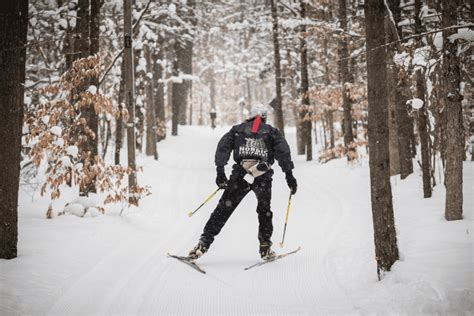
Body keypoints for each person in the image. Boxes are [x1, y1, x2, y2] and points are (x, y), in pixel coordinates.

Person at [188, 104, 297, 261]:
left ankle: (203, 244)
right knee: (264, 211)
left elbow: (222, 148)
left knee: (223, 210)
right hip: (263, 176)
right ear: (264, 117)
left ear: (250, 116)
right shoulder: (272, 132)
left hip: (240, 175)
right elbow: (283, 152)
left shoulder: (237, 130)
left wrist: (220, 172)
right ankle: (265, 247)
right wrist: (289, 175)